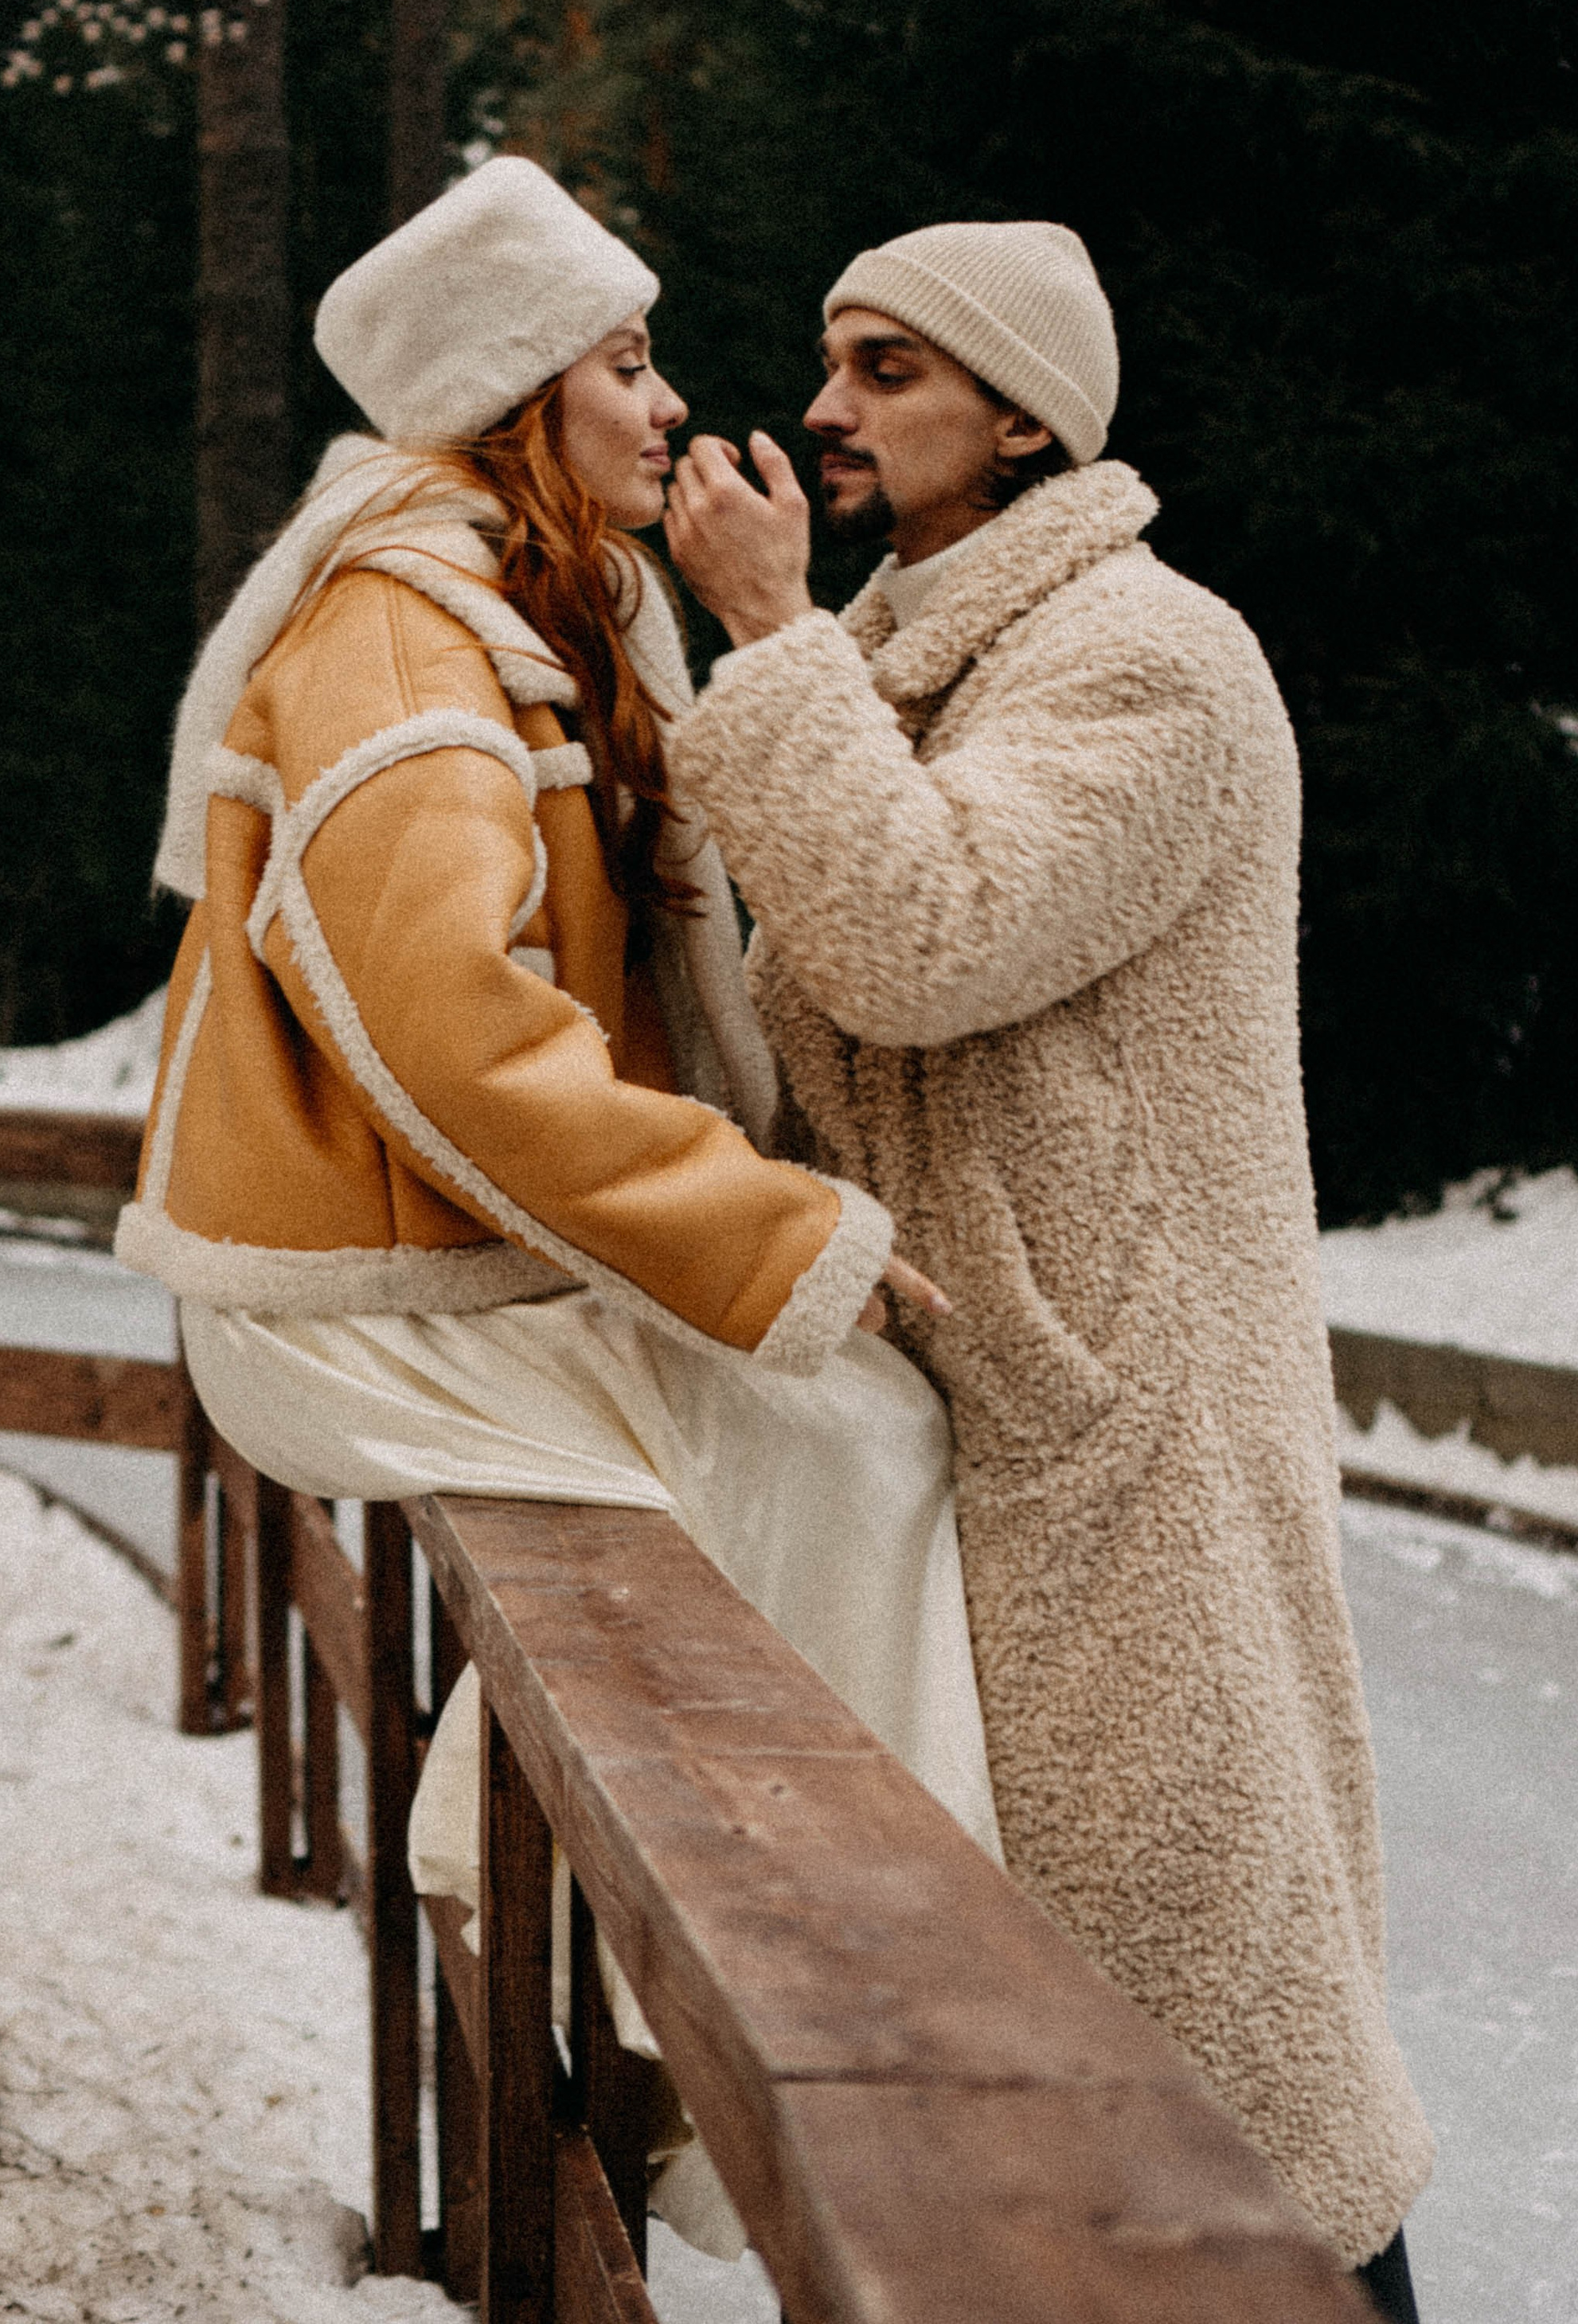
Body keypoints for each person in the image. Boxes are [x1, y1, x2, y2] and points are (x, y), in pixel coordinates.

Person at [116, 157, 1000, 2256]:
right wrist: (789, 1246)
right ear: (520, 398)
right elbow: (460, 1042)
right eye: (625, 361)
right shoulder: (400, 648)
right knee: (839, 1445)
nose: (673, 399)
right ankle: (734, 2017)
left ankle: (732, 2015)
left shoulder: (521, 613)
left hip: (439, 1268)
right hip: (353, 1301)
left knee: (838, 1452)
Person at [662, 219, 1432, 2318]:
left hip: (1133, 1455)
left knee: (1230, 2084)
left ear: (1026, 411)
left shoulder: (1148, 655)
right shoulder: (930, 660)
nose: (823, 406)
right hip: (987, 1437)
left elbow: (930, 940)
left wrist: (761, 632)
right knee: (1056, 2092)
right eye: (827, 360)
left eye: (887, 367)